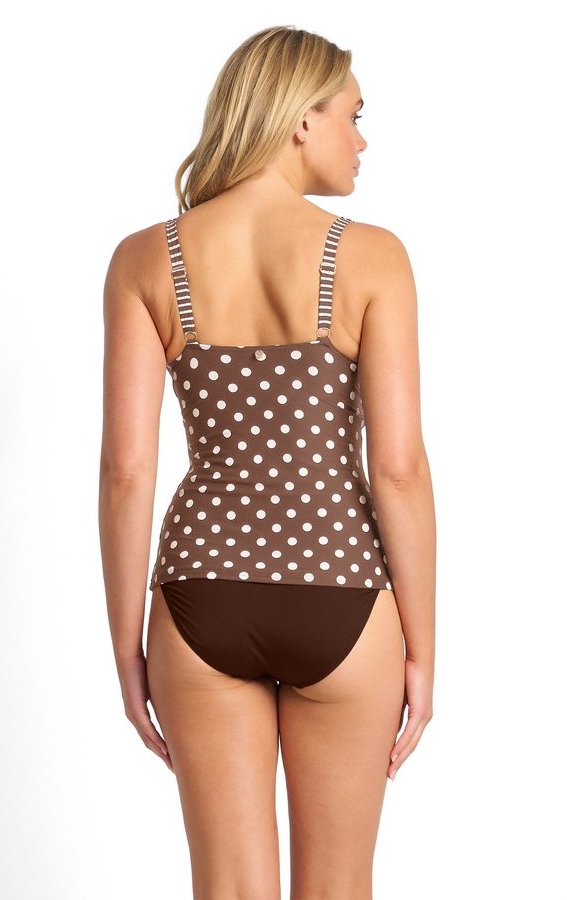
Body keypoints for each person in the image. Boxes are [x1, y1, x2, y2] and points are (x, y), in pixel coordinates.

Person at [99, 24, 435, 900]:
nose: (362, 141)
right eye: (353, 116)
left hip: (199, 597)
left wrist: (128, 649)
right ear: (300, 120)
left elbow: (127, 471)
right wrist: (423, 650)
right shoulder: (371, 256)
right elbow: (399, 469)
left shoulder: (146, 259)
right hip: (344, 595)